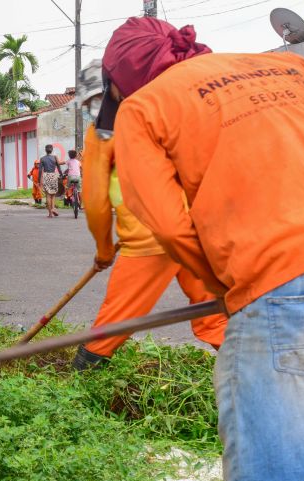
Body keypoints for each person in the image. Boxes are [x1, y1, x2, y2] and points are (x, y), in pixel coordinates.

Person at [103, 16, 304, 481]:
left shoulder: (144, 108)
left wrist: (231, 288)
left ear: (124, 77)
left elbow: (171, 230)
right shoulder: (286, 67)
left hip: (285, 288)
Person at [75, 58, 226, 372]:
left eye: (93, 101)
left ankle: (77, 385)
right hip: (192, 230)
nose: (93, 109)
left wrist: (104, 251)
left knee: (112, 324)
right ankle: (252, 371)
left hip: (149, 238)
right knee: (214, 314)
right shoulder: (158, 114)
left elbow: (95, 201)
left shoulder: (102, 132)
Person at [38, 145, 63, 218]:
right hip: (53, 176)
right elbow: (59, 168)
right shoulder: (55, 157)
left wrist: (39, 180)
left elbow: (40, 170)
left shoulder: (42, 159)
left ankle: (50, 213)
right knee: (53, 195)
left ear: (45, 150)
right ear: (52, 150)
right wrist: (61, 175)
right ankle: (53, 208)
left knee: (48, 195)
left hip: (46, 176)